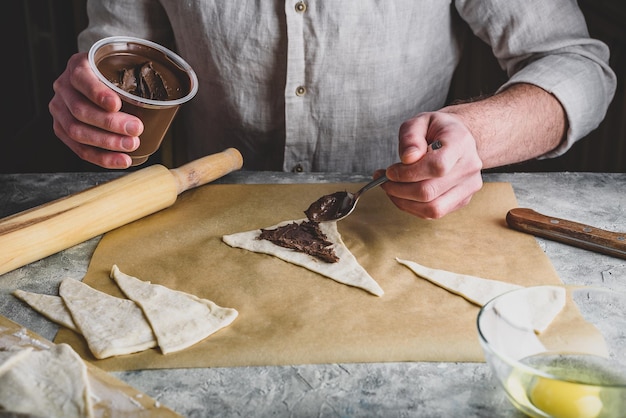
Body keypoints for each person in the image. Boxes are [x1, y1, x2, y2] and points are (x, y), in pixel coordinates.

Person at [49, 1, 616, 219]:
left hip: (403, 223)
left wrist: (477, 132)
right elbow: (116, 60)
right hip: (209, 221)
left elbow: (577, 65)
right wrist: (92, 109)